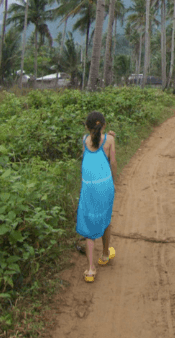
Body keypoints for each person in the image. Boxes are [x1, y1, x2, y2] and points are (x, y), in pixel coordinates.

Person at [76, 111, 117, 282]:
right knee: (106, 220)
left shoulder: (84, 140)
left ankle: (90, 270)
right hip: (105, 185)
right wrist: (114, 183)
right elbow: (112, 163)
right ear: (104, 125)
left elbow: (92, 144)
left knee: (89, 226)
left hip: (88, 188)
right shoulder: (109, 140)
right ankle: (105, 254)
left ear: (87, 126)